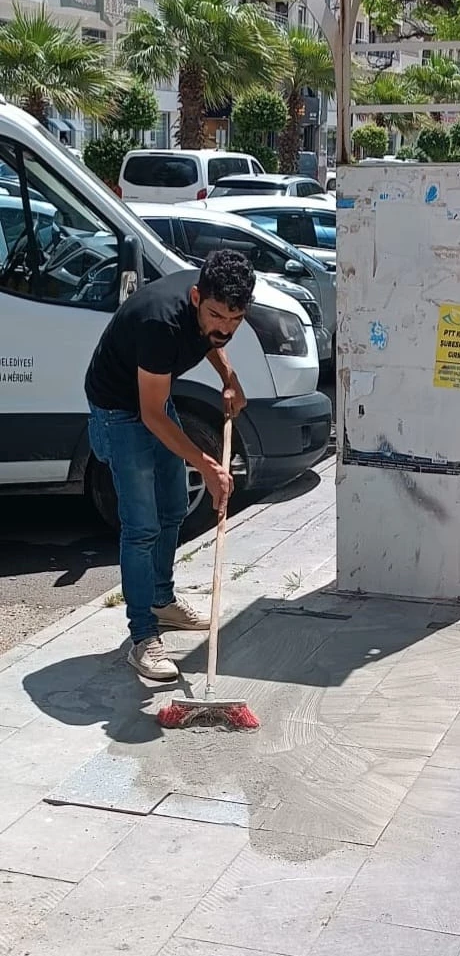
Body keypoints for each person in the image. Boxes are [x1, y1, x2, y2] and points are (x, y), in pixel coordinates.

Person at [85, 249, 255, 681]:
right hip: (120, 410)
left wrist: (229, 377)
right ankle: (143, 635)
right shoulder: (160, 322)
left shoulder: (210, 312)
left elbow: (209, 341)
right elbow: (152, 415)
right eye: (218, 315)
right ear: (197, 297)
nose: (225, 327)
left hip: (151, 402)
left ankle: (162, 599)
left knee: (175, 507)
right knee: (142, 526)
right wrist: (209, 466)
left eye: (236, 320)